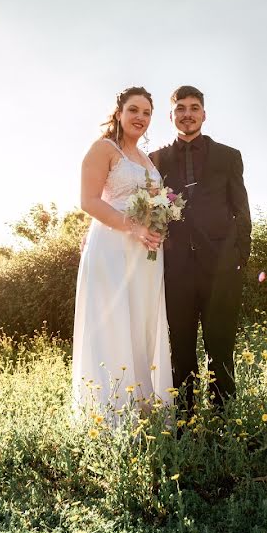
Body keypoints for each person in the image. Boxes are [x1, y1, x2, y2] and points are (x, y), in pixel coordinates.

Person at [71, 86, 173, 423]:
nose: (140, 118)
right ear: (119, 113)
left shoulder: (147, 159)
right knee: (113, 324)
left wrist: (158, 225)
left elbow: (159, 202)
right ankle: (110, 412)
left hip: (145, 253)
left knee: (141, 323)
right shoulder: (104, 149)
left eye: (146, 113)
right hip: (113, 246)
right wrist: (132, 227)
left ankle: (143, 407)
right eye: (133, 110)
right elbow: (89, 201)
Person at [149, 85, 251, 413]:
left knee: (220, 347)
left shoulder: (229, 156)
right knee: (180, 348)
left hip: (222, 269)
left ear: (204, 114)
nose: (188, 114)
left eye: (194, 108)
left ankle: (224, 417)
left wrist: (239, 259)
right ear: (172, 116)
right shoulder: (155, 160)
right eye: (181, 108)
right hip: (175, 269)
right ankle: (185, 418)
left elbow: (241, 211)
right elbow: (150, 213)